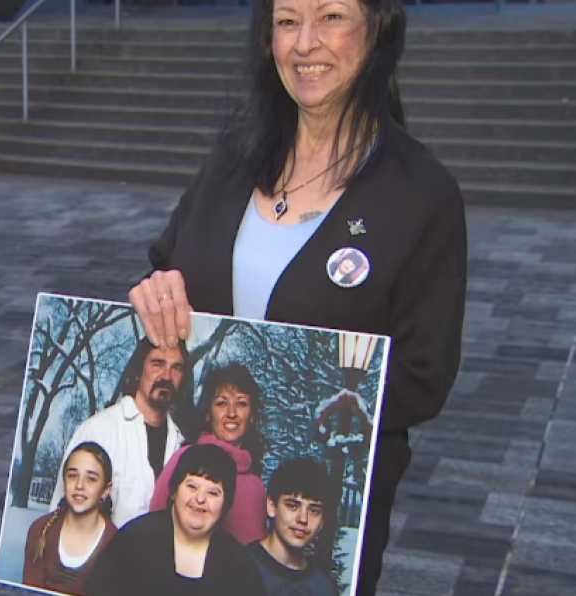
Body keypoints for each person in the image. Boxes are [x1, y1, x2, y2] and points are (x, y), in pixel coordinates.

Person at [126, 0, 468, 593]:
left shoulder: (421, 195)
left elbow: (424, 374)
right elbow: (169, 267)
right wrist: (158, 293)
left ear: (379, 30)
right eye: (287, 21)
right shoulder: (234, 159)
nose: (305, 43)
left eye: (331, 16)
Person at [83, 444, 268, 596]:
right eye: (192, 486)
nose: (200, 499)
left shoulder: (239, 567)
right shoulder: (133, 540)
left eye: (213, 492)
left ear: (225, 503)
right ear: (174, 491)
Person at [50, 336, 195, 528]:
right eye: (157, 363)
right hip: (104, 556)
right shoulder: (98, 430)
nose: (167, 376)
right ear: (138, 372)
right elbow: (57, 515)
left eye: (176, 368)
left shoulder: (181, 444)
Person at [149, 362, 268, 545]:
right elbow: (153, 527)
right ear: (207, 413)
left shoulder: (256, 487)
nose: (232, 413)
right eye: (222, 403)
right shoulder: (184, 459)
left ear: (252, 415)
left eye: (241, 403)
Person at [24, 442, 118, 595]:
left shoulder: (116, 545)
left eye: (91, 479)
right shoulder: (40, 530)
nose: (80, 485)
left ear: (105, 490)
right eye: (73, 476)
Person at [248, 457, 341, 596]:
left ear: (322, 522)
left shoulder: (324, 588)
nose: (303, 519)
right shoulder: (238, 565)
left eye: (314, 510)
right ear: (272, 506)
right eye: (292, 506)